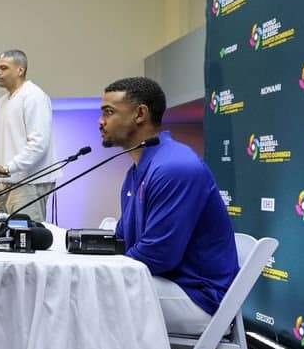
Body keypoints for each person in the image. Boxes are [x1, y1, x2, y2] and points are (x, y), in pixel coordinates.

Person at [98, 76, 239, 334]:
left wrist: (98, 272)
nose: (101, 121)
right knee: (82, 288)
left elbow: (158, 256)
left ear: (140, 114)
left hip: (197, 296)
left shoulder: (175, 167)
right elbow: (122, 240)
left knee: (87, 295)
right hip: (164, 282)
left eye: (109, 112)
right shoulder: (137, 171)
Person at [0, 49, 57, 222]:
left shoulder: (34, 96)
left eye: (3, 68)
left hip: (29, 182)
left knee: (23, 237)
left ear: (20, 70)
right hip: (4, 181)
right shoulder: (1, 102)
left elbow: (38, 143)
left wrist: (8, 167)